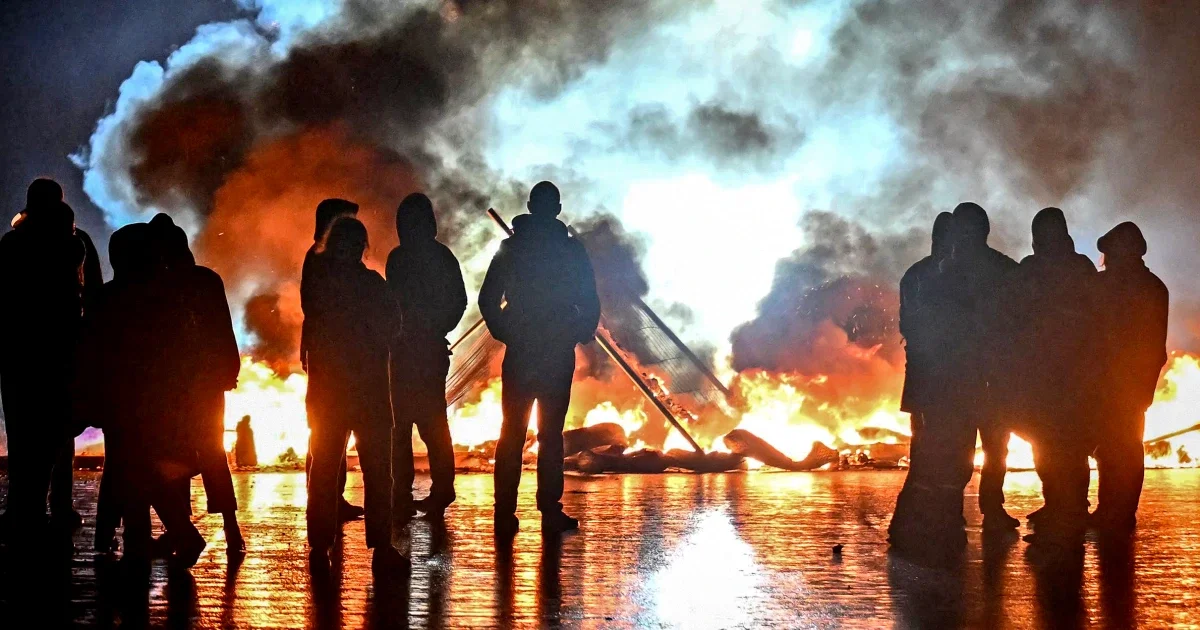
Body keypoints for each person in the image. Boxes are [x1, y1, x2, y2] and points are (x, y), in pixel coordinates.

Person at [75, 221, 206, 565]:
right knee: (142, 468)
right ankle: (147, 538)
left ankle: (160, 536)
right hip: (159, 399)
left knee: (134, 468)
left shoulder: (107, 298)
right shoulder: (167, 297)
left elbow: (92, 349)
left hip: (121, 400)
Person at [479, 181, 600, 536]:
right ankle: (549, 510)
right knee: (549, 435)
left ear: (530, 206)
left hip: (523, 351)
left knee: (512, 433)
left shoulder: (512, 248)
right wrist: (577, 332)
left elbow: (488, 299)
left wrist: (507, 333)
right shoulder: (571, 251)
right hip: (555, 351)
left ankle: (505, 513)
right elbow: (589, 299)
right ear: (556, 209)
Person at [303, 217, 402, 569]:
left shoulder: (320, 289)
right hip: (367, 392)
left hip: (330, 394)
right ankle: (381, 547)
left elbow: (312, 336)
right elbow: (393, 328)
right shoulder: (372, 285)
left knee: (325, 469)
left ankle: (320, 545)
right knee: (376, 472)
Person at [148, 213, 245, 555]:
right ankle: (231, 529)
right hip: (206, 383)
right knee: (212, 452)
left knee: (173, 455)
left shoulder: (156, 287)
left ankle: (181, 528)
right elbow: (223, 328)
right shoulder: (207, 280)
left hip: (172, 386)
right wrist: (229, 369)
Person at [0, 182, 88, 542]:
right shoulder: (75, 244)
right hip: (62, 351)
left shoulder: (12, 244)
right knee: (59, 433)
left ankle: (21, 509)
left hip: (19, 353)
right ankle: (60, 506)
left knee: (22, 434)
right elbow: (90, 296)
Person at [1007, 208, 1099, 547]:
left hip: (1055, 375)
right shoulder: (1079, 267)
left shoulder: (1039, 269)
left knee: (1056, 444)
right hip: (1059, 375)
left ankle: (1067, 514)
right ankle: (1062, 506)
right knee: (1056, 445)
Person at [386, 193, 467, 522]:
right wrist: (435, 329)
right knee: (419, 426)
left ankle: (416, 492)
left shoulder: (407, 258)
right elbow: (457, 302)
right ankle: (417, 492)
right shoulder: (436, 256)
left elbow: (456, 301)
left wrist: (428, 329)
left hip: (415, 351)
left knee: (414, 425)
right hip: (416, 350)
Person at [1091, 222, 1167, 535]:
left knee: (1110, 447)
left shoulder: (1106, 287)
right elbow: (1156, 348)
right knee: (1125, 448)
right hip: (1133, 384)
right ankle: (1120, 511)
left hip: (1109, 383)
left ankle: (1112, 510)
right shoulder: (1154, 287)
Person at [888, 212, 957, 550]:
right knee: (947, 450)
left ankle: (911, 522)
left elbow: (907, 324)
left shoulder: (915, 274)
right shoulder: (951, 275)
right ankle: (938, 521)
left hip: (921, 374)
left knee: (923, 446)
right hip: (947, 376)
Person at [300, 198, 364, 522]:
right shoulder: (321, 260)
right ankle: (325, 501)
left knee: (327, 431)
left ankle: (328, 499)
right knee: (328, 432)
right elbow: (315, 309)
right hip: (332, 359)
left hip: (326, 355)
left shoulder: (319, 258)